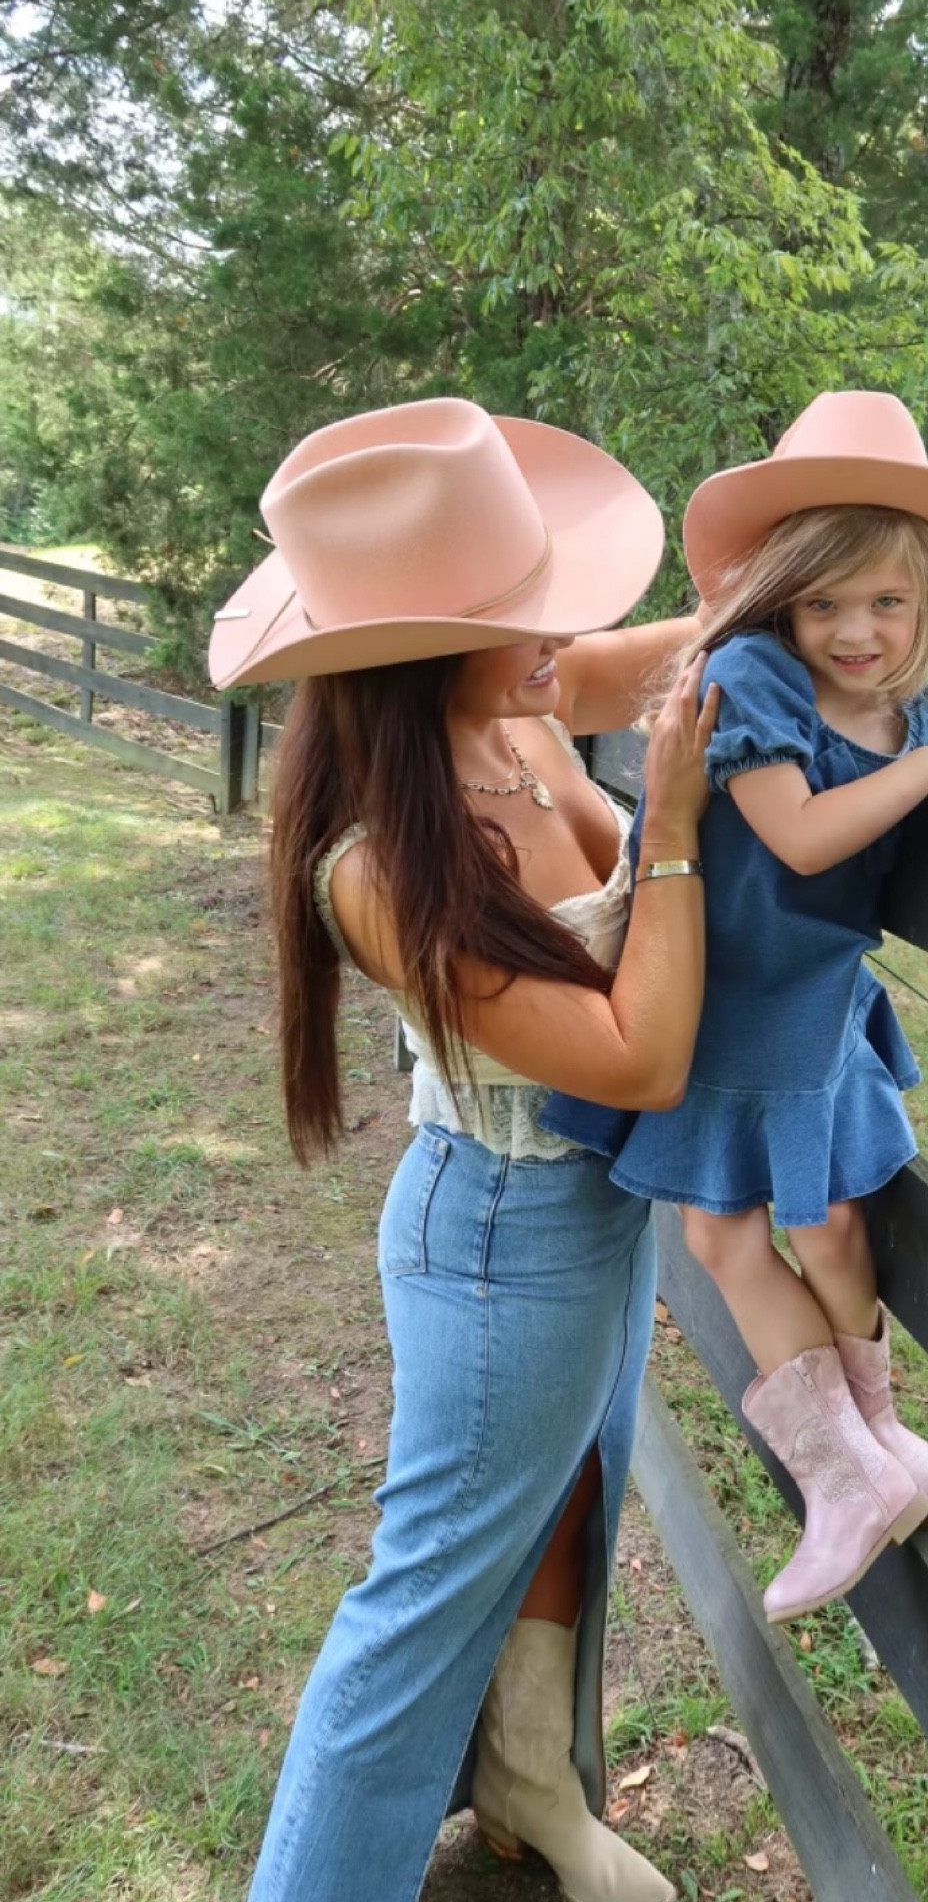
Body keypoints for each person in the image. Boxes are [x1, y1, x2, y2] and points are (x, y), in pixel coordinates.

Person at [207, 396, 719, 1902]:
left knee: (573, 1490)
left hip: (586, 1215)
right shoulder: (377, 868)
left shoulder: (514, 709)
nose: (565, 627)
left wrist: (824, 579)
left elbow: (674, 651)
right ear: (423, 648)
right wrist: (673, 822)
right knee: (418, 1605)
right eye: (524, 610)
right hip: (499, 1234)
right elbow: (640, 1050)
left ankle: (528, 1787)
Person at [544, 391, 928, 1625]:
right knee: (722, 1232)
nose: (853, 632)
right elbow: (801, 840)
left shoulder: (922, 706)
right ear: (781, 600)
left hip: (814, 991)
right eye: (823, 603)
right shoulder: (752, 671)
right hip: (718, 983)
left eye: (885, 604)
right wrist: (920, 772)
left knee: (832, 1217)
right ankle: (847, 1468)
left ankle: (875, 1449)